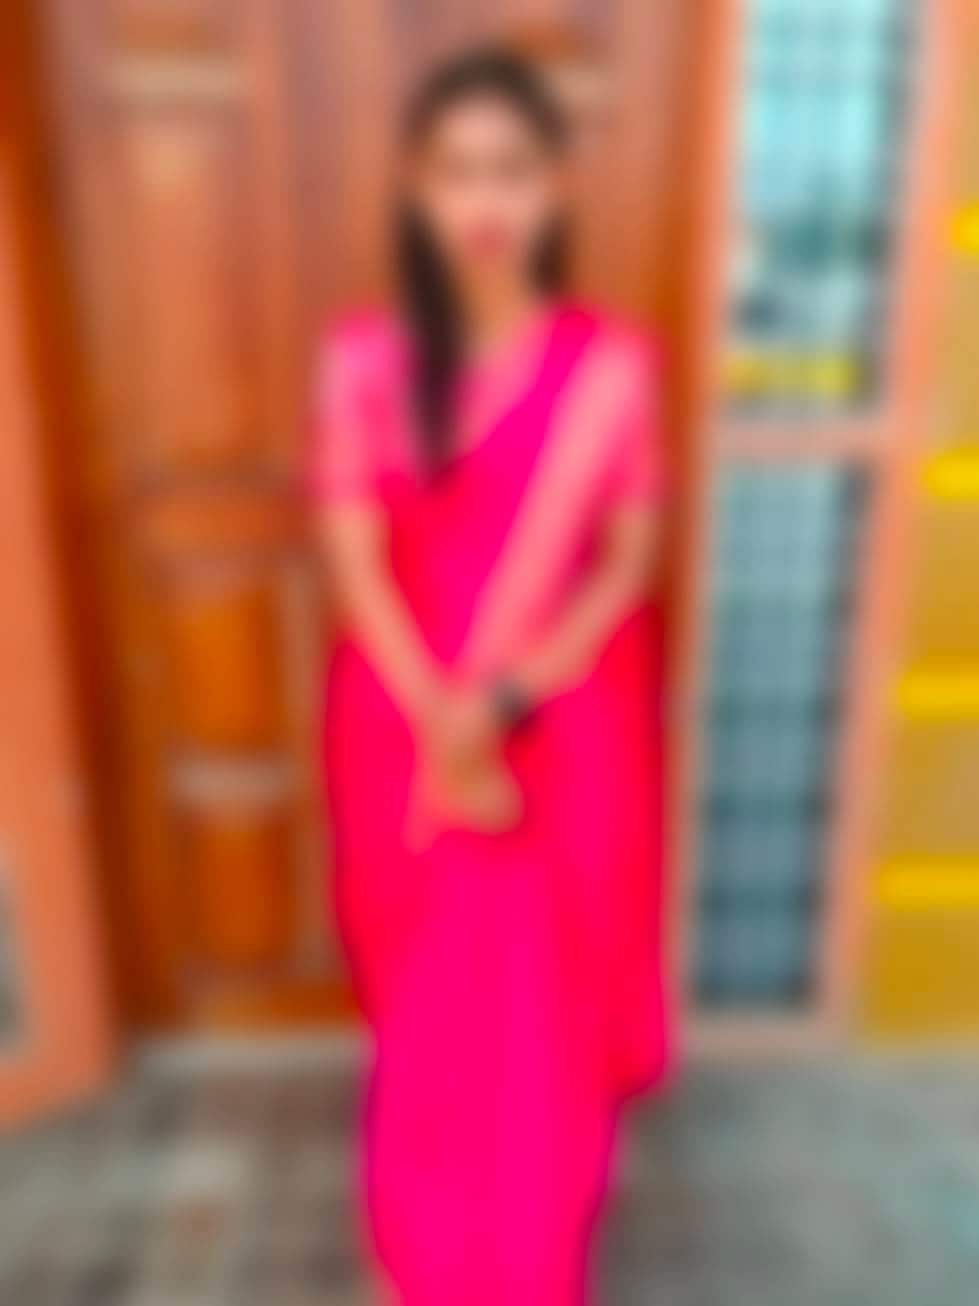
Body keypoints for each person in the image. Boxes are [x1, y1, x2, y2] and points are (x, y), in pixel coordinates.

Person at [308, 45, 673, 1306]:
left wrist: (506, 700)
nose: (486, 201)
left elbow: (625, 560)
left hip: (560, 721)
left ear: (557, 187)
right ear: (416, 190)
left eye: (513, 170)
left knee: (540, 1018)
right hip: (402, 723)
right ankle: (417, 1247)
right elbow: (353, 562)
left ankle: (532, 1247)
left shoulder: (613, 366)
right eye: (458, 171)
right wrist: (445, 721)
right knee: (429, 1012)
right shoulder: (364, 359)